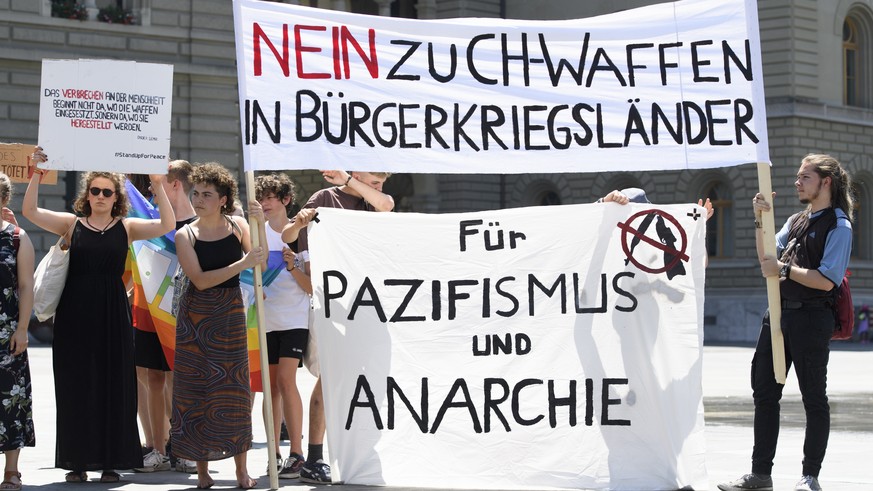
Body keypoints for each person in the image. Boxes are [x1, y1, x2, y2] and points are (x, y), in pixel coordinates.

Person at [24, 147, 176, 483]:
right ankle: (76, 462)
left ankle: (111, 461)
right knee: (76, 385)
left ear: (116, 196)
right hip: (74, 313)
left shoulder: (127, 227)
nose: (101, 196)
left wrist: (158, 185)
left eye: (108, 191)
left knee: (114, 385)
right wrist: (36, 172)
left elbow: (168, 224)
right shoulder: (71, 224)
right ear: (87, 195)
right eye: (95, 190)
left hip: (113, 312)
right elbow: (30, 210)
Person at [719, 154, 853, 491]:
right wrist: (759, 217)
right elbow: (766, 255)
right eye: (798, 176)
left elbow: (827, 279)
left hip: (811, 317)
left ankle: (810, 477)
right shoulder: (795, 220)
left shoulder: (839, 225)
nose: (797, 182)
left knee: (813, 399)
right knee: (764, 394)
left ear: (827, 182)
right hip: (778, 314)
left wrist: (784, 270)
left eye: (805, 177)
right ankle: (760, 474)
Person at [286, 169, 394, 484]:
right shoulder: (324, 199)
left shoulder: (373, 204)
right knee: (331, 377)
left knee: (367, 377)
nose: (377, 187)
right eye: (373, 180)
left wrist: (351, 181)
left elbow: (386, 204)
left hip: (368, 305)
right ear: (358, 171)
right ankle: (314, 455)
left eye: (380, 182)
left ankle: (358, 449)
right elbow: (291, 240)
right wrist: (299, 224)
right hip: (333, 303)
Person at [170, 163, 265, 490]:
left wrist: (261, 225)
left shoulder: (239, 225)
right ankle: (203, 472)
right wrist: (242, 263)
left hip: (230, 314)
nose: (198, 199)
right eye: (195, 193)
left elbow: (261, 260)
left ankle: (241, 470)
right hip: (196, 317)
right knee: (196, 390)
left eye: (206, 194)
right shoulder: (186, 233)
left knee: (235, 390)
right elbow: (200, 279)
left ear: (223, 199)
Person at [132, 161, 199, 473]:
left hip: (186, 315)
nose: (150, 190)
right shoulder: (149, 220)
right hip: (149, 311)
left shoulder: (201, 222)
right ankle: (156, 449)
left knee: (180, 379)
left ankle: (182, 447)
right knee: (153, 378)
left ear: (175, 185)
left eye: (157, 183)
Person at [254, 173, 316, 479]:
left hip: (294, 319)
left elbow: (310, 286)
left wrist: (291, 266)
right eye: (261, 198)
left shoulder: (300, 233)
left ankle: (297, 454)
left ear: (285, 200)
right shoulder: (256, 231)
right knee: (271, 388)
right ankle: (274, 453)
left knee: (285, 382)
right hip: (266, 318)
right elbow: (254, 273)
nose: (265, 204)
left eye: (270, 198)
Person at [0, 172, 35, 491]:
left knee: (11, 399)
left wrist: (23, 329)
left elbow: (25, 286)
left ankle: (12, 470)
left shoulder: (16, 237)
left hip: (7, 331)